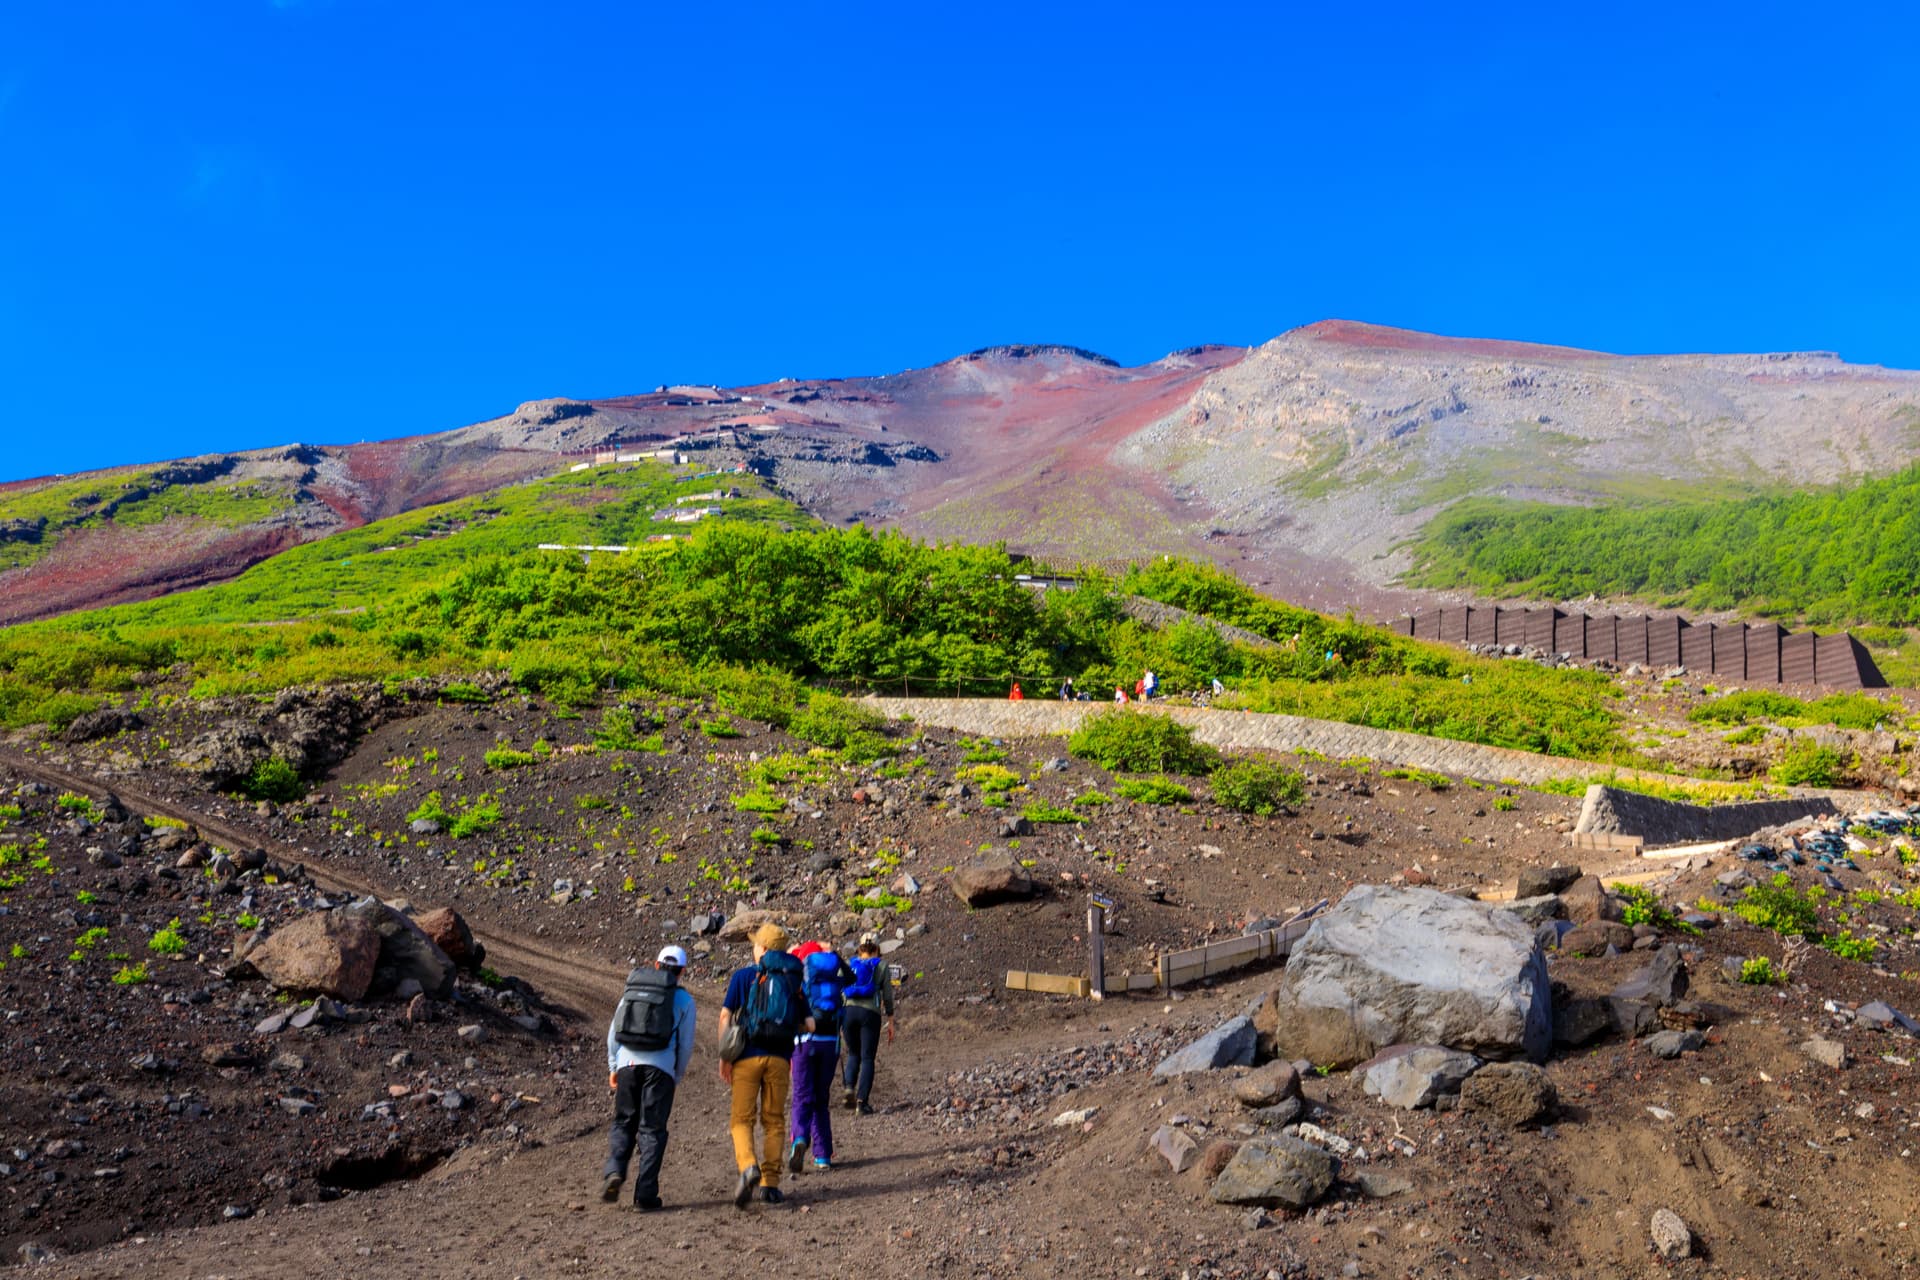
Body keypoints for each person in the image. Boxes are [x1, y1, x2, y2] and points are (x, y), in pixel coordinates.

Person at [719, 923, 810, 1208]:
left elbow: (725, 1018)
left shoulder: (744, 976)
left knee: (741, 1120)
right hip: (780, 1060)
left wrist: (725, 1056)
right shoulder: (794, 982)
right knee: (774, 1121)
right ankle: (770, 1184)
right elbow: (810, 1023)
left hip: (746, 1058)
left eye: (756, 943)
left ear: (764, 949)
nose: (753, 947)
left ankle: (748, 1167)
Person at [603, 945, 696, 1211]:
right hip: (661, 1069)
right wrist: (675, 1075)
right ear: (682, 972)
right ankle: (645, 1195)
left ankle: (615, 1170)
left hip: (627, 1065)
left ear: (655, 965)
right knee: (652, 1130)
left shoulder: (632, 989)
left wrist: (614, 1066)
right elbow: (686, 1045)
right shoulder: (685, 1001)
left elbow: (614, 1032)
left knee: (624, 1121)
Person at [787, 943, 851, 1173]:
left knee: (802, 1096)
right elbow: (851, 978)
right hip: (830, 1045)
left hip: (804, 1043)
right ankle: (823, 1155)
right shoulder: (834, 981)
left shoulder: (800, 979)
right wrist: (836, 955)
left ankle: (800, 1138)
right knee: (821, 1100)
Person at [839, 933, 896, 1114]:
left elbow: (840, 988)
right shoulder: (882, 965)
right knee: (867, 1058)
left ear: (860, 948)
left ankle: (849, 1086)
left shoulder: (849, 964)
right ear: (877, 949)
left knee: (853, 1053)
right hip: (870, 1014)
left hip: (848, 1012)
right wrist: (891, 1019)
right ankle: (861, 1102)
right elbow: (887, 995)